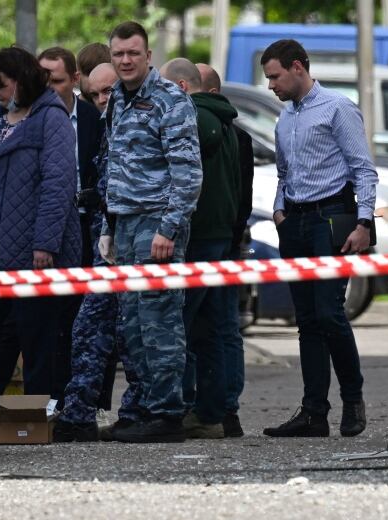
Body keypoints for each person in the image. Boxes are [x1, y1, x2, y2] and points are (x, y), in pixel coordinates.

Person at [260, 39, 377, 438]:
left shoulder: (337, 108)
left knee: (330, 313)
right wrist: (279, 211)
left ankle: (353, 397)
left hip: (332, 220)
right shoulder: (285, 118)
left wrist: (363, 224)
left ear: (297, 67)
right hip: (294, 222)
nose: (271, 85)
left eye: (275, 76)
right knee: (307, 321)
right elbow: (283, 173)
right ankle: (313, 412)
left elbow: (364, 170)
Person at [100, 21, 203, 443]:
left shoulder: (169, 101)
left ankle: (166, 413)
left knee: (159, 319)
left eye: (133, 54)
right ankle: (143, 407)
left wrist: (168, 228)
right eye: (118, 54)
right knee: (132, 323)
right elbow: (114, 165)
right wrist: (108, 227)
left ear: (147, 57)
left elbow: (188, 173)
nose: (125, 61)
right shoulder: (117, 102)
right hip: (125, 223)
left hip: (158, 224)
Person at [0, 46, 80, 425]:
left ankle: (34, 415)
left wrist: (45, 243)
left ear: (19, 80)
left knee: (36, 335)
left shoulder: (52, 119)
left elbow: (58, 184)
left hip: (32, 252)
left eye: (0, 85)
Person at [53, 62, 142, 442]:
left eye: (109, 91)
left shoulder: (136, 122)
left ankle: (138, 413)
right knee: (91, 331)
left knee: (133, 335)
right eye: (95, 94)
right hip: (107, 248)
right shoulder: (107, 125)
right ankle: (78, 414)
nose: (103, 99)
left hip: (137, 245)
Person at [159, 58, 240, 440]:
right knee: (215, 327)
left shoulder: (197, 118)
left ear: (182, 87)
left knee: (184, 324)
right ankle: (215, 411)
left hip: (201, 235)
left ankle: (188, 409)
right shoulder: (226, 123)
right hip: (220, 234)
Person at [37, 47, 105, 405]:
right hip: (46, 233)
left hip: (87, 230)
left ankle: (83, 402)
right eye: (43, 80)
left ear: (75, 80)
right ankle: (48, 399)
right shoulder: (30, 120)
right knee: (48, 321)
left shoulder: (94, 121)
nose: (49, 88)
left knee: (86, 321)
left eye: (57, 81)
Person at [196, 62, 255, 438]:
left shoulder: (207, 129)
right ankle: (227, 408)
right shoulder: (240, 135)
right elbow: (243, 199)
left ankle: (213, 408)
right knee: (225, 325)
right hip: (229, 241)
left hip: (209, 240)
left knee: (207, 325)